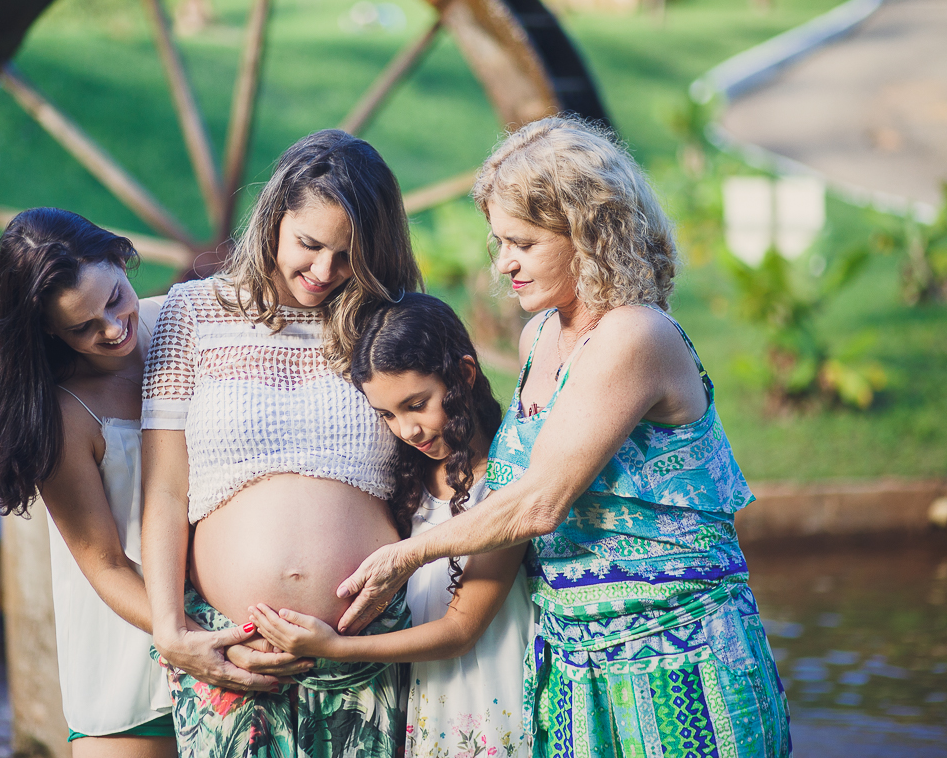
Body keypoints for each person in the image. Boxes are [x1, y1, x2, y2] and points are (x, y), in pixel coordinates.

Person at [334, 117, 793, 758]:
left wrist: (405, 557)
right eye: (498, 242)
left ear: (587, 232)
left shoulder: (635, 334)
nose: (503, 264)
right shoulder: (540, 337)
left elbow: (540, 502)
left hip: (676, 662)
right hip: (577, 668)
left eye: (520, 242)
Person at [140, 129, 424, 758]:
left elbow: (443, 466)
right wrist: (170, 632)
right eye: (309, 244)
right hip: (233, 651)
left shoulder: (393, 324)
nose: (324, 272)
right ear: (274, 220)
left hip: (364, 647)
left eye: (348, 256)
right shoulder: (192, 313)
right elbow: (164, 487)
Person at [246, 292, 534, 758]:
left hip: (493, 694)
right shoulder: (409, 477)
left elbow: (461, 629)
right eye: (387, 414)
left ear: (463, 374)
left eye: (417, 404)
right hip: (428, 696)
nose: (407, 430)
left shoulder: (506, 483)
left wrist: (334, 648)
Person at [0, 208, 176, 758]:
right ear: (49, 331)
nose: (111, 328)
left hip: (225, 639)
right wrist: (188, 637)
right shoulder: (59, 413)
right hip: (130, 663)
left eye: (113, 298)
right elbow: (104, 564)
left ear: (120, 259)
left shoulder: (180, 327)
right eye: (82, 327)